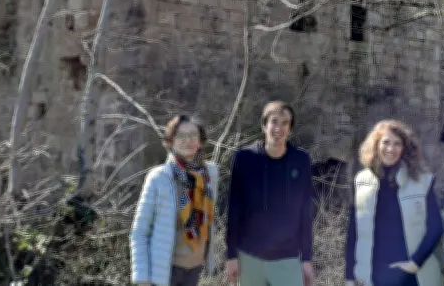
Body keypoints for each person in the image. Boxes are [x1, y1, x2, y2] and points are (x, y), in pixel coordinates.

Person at [345, 119, 444, 286]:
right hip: (373, 276)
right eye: (386, 142)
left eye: (397, 144)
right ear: (376, 145)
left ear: (405, 148)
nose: (391, 149)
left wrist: (415, 263)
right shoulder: (361, 181)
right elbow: (353, 232)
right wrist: (350, 277)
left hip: (411, 277)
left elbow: (435, 227)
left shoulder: (421, 182)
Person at [225, 100, 314, 286]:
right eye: (274, 122)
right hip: (249, 258)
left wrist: (306, 258)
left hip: (288, 259)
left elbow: (306, 212)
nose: (278, 128)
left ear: (290, 129)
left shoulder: (301, 160)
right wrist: (231, 255)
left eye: (285, 123)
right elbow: (234, 209)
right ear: (264, 126)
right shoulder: (244, 158)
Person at [130, 115, 219, 286]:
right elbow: (139, 232)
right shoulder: (159, 177)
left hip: (194, 269)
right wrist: (142, 278)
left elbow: (209, 222)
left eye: (193, 135)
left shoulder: (209, 174)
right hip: (165, 271)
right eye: (181, 136)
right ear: (171, 141)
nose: (188, 141)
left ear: (200, 141)